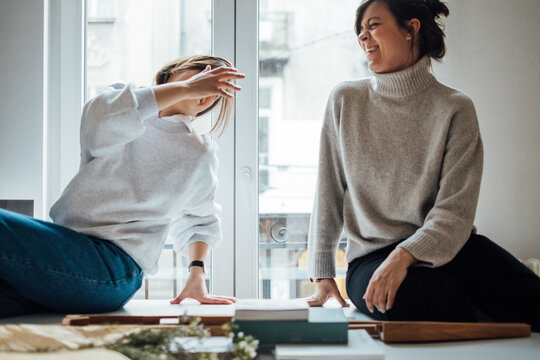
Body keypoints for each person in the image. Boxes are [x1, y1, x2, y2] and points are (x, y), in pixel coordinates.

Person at [306, 0, 540, 331]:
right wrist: (323, 272)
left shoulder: (455, 108)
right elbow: (328, 189)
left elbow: (455, 212)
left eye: (373, 25)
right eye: (359, 31)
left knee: (532, 300)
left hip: (448, 249)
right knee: (411, 298)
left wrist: (405, 256)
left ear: (410, 29)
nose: (363, 37)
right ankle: (483, 316)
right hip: (370, 257)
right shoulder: (346, 99)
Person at [0, 55, 245, 318]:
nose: (207, 90)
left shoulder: (200, 152)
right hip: (68, 253)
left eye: (218, 90)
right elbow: (97, 125)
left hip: (116, 269)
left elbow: (200, 220)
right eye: (204, 75)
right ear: (172, 73)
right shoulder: (123, 103)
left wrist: (197, 273)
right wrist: (186, 89)